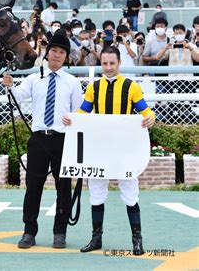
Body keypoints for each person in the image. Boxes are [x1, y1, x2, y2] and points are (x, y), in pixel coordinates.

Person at [62, 46, 156, 256]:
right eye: (104, 63)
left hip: (124, 151)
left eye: (112, 63)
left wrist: (151, 118)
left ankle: (137, 240)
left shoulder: (131, 86)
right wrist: (71, 118)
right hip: (100, 151)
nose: (108, 67)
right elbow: (83, 112)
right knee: (96, 195)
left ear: (119, 63)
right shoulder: (94, 87)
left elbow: (145, 110)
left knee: (131, 194)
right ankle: (96, 238)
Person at [2, 34, 83, 249]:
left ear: (66, 57)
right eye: (54, 50)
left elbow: (79, 112)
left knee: (63, 187)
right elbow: (16, 97)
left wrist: (72, 120)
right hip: (38, 138)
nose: (57, 55)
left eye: (62, 52)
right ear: (48, 53)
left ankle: (60, 232)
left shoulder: (73, 83)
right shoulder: (33, 78)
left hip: (63, 139)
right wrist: (9, 85)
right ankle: (29, 231)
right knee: (33, 187)